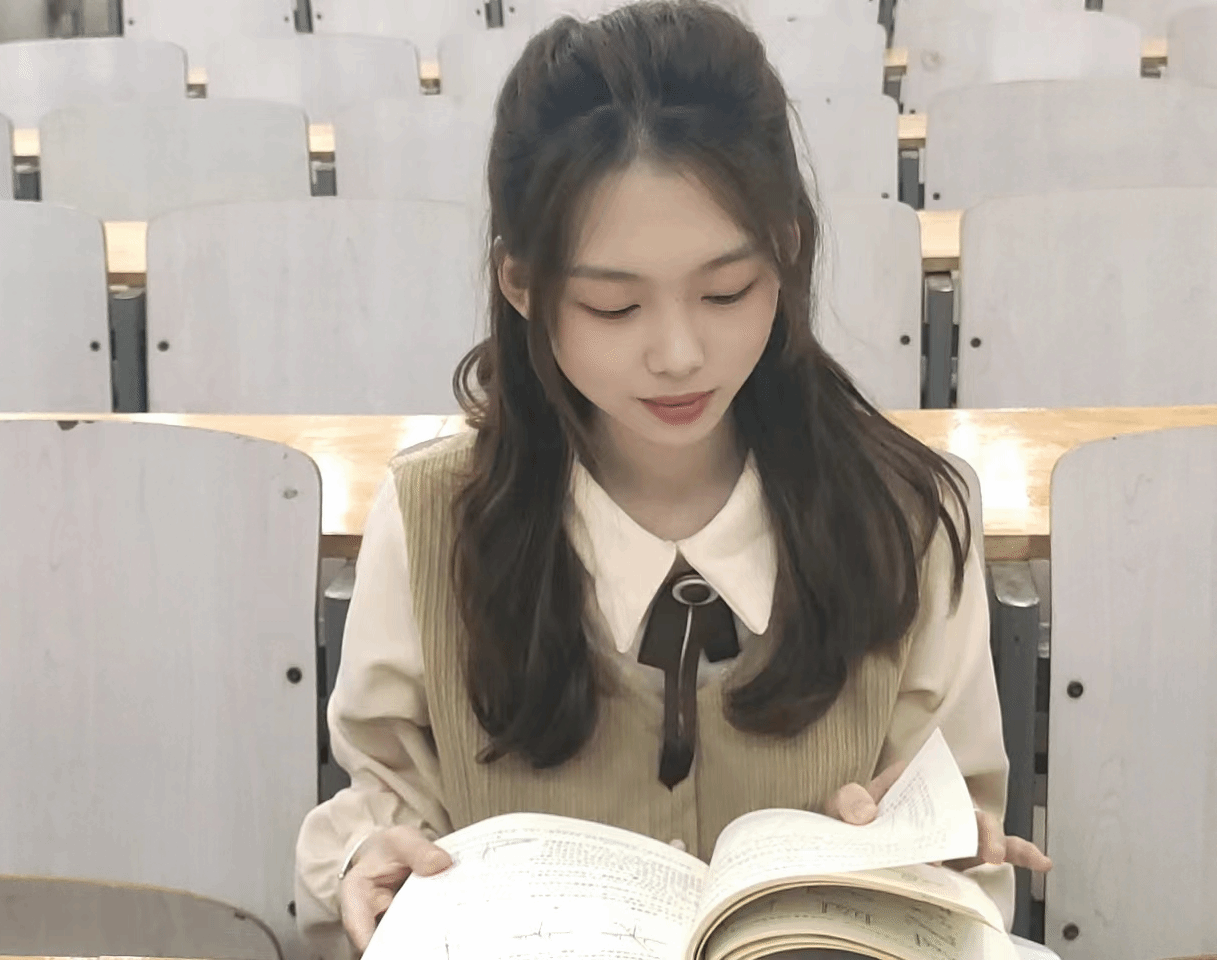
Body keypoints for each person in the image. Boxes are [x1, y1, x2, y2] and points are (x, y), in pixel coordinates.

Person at [294, 1, 1051, 955]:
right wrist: (364, 861)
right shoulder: (435, 516)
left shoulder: (909, 517)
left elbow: (973, 864)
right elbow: (385, 805)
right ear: (522, 286)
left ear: (788, 251)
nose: (680, 353)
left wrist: (924, 863)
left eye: (727, 292)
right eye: (613, 307)